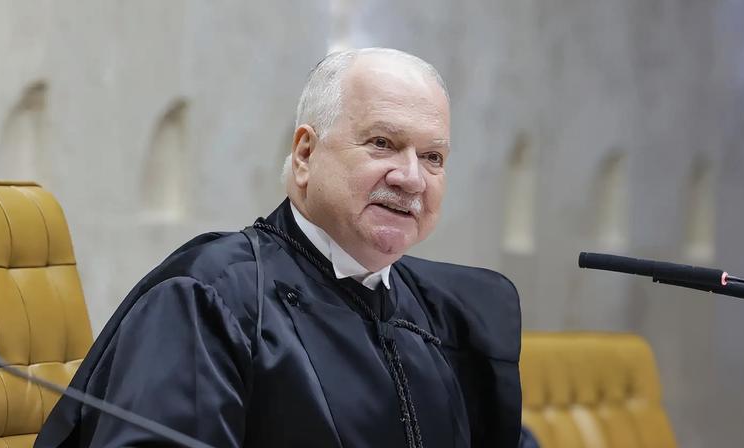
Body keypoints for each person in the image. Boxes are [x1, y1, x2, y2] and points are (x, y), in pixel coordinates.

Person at [36, 47, 522, 448]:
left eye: (433, 157)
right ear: (306, 154)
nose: (411, 178)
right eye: (382, 143)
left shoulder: (450, 317)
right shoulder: (209, 298)